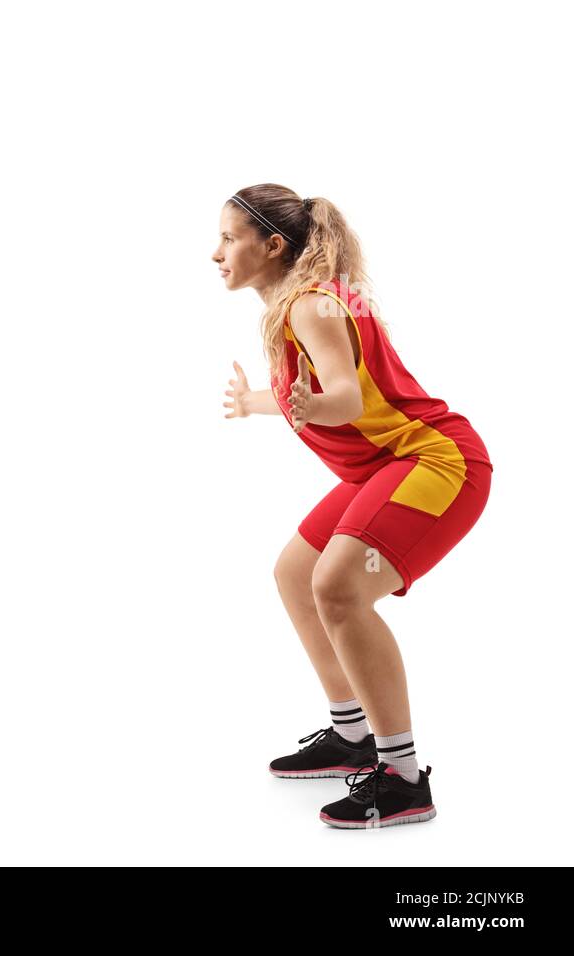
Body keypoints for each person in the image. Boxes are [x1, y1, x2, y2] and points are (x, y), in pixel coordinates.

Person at [214, 185, 492, 828]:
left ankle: (400, 777)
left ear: (272, 245)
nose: (216, 252)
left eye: (229, 238)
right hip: (387, 466)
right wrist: (258, 400)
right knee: (294, 574)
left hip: (437, 463)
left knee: (337, 588)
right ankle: (352, 736)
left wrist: (316, 407)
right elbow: (318, 393)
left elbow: (344, 397)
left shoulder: (310, 306)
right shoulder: (311, 301)